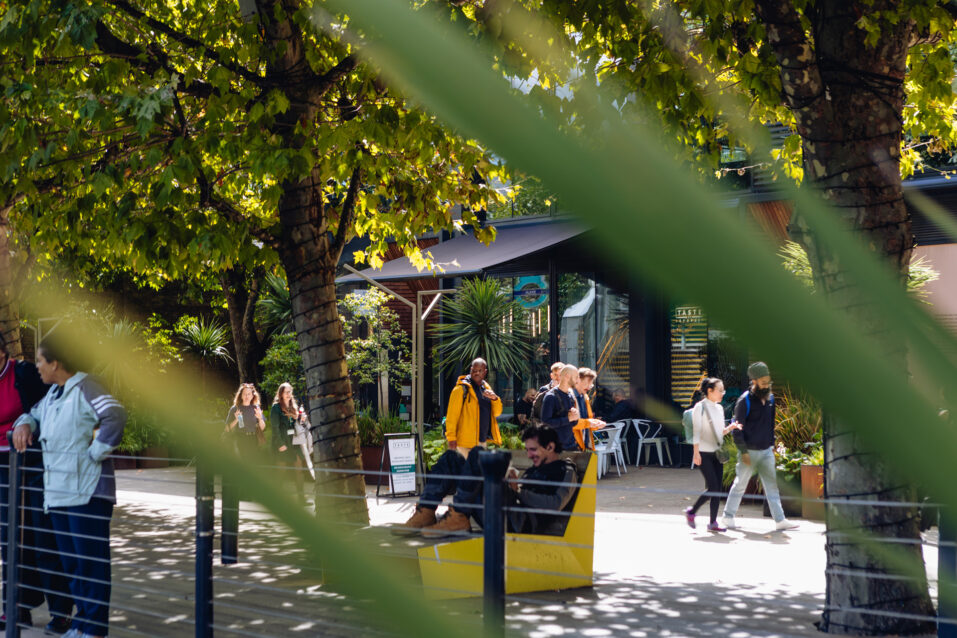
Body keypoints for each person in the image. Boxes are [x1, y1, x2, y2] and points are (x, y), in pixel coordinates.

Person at [12, 336, 126, 638]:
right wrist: (23, 425)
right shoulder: (52, 394)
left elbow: (115, 415)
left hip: (88, 493)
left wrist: (95, 454)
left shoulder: (87, 387)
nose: (36, 366)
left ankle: (95, 628)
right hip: (58, 494)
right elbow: (31, 415)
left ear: (55, 363)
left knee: (90, 563)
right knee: (73, 565)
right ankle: (82, 624)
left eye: (39, 360)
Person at [0, 333, 72, 633]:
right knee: (9, 541)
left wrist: (26, 423)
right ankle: (16, 608)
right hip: (2, 469)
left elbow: (47, 407)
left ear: (2, 353)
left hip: (33, 464)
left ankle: (61, 611)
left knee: (43, 538)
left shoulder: (25, 373)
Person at [395, 424, 578, 537]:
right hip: (498, 511)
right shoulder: (534, 469)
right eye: (527, 450)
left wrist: (518, 490)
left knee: (477, 454)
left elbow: (555, 504)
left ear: (550, 446)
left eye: (533, 450)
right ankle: (426, 512)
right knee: (452, 458)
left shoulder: (565, 470)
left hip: (515, 524)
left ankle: (458, 516)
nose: (529, 455)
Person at [721, 362, 799, 531]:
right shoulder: (744, 401)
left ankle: (780, 520)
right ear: (754, 381)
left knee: (772, 486)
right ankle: (727, 517)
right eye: (763, 382)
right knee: (740, 484)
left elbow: (770, 424)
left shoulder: (770, 399)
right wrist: (743, 452)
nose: (767, 385)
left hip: (766, 451)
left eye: (768, 382)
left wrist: (771, 445)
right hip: (749, 451)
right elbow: (736, 429)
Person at [684, 377, 741, 532]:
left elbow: (720, 432)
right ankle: (692, 512)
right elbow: (696, 432)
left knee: (717, 489)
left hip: (717, 452)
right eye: (720, 390)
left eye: (723, 390)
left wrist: (731, 427)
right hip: (703, 452)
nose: (723, 393)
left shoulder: (719, 408)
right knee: (714, 487)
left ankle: (712, 523)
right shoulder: (699, 407)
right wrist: (696, 453)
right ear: (710, 391)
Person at [444, 358, 502, 456]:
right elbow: (452, 417)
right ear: (471, 369)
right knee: (469, 470)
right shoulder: (460, 389)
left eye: (480, 371)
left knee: (477, 471)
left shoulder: (486, 387)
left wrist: (495, 399)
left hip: (481, 441)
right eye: (474, 370)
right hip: (465, 443)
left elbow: (497, 413)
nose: (477, 373)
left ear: (485, 372)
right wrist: (451, 438)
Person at [270, 383, 306, 504]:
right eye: (286, 392)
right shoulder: (276, 408)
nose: (289, 394)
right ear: (280, 394)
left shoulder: (293, 406)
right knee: (282, 471)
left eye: (290, 392)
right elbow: (274, 428)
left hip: (294, 442)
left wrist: (301, 419)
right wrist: (280, 444)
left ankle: (301, 498)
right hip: (283, 442)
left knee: (299, 469)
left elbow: (297, 425)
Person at [540, 365, 581, 452]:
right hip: (555, 448)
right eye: (576, 377)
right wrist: (568, 419)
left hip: (571, 445)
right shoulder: (551, 397)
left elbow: (573, 423)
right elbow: (545, 423)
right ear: (567, 376)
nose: (578, 380)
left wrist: (575, 417)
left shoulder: (570, 396)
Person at [225, 383, 266, 455]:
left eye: (249, 394)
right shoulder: (235, 408)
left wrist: (260, 418)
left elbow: (262, 428)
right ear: (241, 395)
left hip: (254, 440)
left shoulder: (256, 408)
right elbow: (227, 429)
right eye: (244, 394)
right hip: (240, 439)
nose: (247, 396)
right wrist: (236, 420)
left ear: (252, 395)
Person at [572, 368, 605, 450]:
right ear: (578, 380)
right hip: (572, 445)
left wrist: (595, 424)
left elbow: (586, 421)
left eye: (591, 383)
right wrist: (589, 423)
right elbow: (570, 423)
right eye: (588, 382)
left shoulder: (585, 397)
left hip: (585, 445)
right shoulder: (569, 396)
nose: (590, 387)